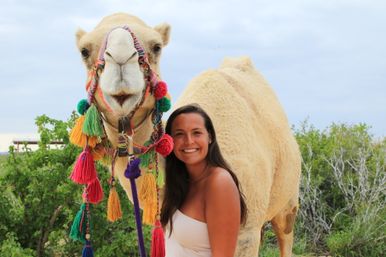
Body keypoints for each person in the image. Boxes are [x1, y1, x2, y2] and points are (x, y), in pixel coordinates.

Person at [161, 104, 247, 257]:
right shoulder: (181, 182)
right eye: (179, 134)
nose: (188, 141)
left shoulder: (219, 182)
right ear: (171, 141)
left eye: (196, 133)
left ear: (210, 137)